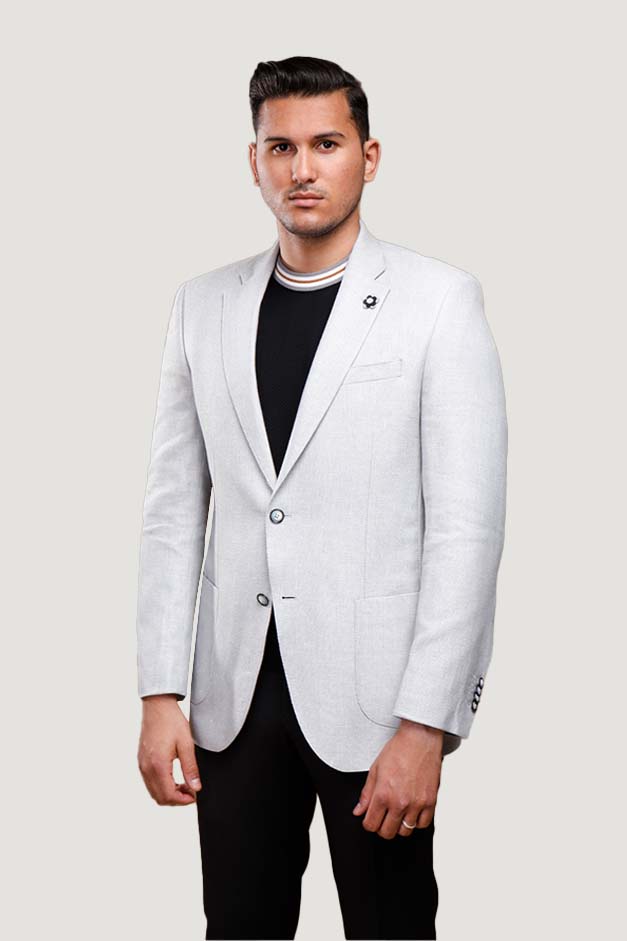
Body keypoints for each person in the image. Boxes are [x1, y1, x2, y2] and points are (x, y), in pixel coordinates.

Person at [135, 55, 508, 940]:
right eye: (282, 147)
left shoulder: (438, 302)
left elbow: (466, 530)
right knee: (238, 925)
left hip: (377, 706)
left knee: (389, 927)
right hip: (231, 701)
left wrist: (425, 724)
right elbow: (173, 510)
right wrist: (159, 692)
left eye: (326, 144)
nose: (302, 168)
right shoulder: (202, 305)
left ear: (368, 157)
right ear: (254, 161)